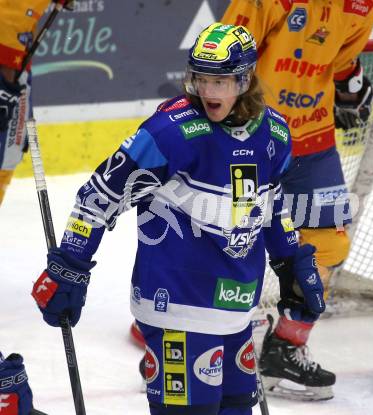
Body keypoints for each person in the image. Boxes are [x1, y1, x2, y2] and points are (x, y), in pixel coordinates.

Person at [31, 23, 326, 415]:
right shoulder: (170, 131)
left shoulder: (274, 133)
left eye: (219, 81)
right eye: (200, 79)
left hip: (237, 310)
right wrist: (70, 264)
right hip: (176, 305)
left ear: (245, 79)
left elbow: (270, 205)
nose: (208, 92)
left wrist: (290, 261)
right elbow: (98, 196)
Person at [222, 0, 373, 400]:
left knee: (327, 244)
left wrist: (349, 82)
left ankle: (285, 349)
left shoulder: (363, 6)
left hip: (314, 137)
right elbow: (223, 54)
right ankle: (202, 336)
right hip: (254, 133)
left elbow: (342, 56)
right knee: (232, 241)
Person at [0, 0, 74, 205]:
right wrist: (8, 79)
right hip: (9, 65)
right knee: (7, 153)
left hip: (16, 62)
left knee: (9, 155)